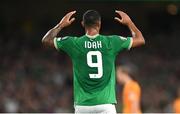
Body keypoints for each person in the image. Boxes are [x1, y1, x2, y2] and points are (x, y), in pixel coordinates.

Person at [42, 10, 145, 113]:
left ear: (83, 24)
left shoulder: (74, 43)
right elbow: (140, 39)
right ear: (99, 24)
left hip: (83, 105)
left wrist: (60, 25)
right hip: (106, 104)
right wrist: (129, 23)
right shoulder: (112, 42)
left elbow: (46, 40)